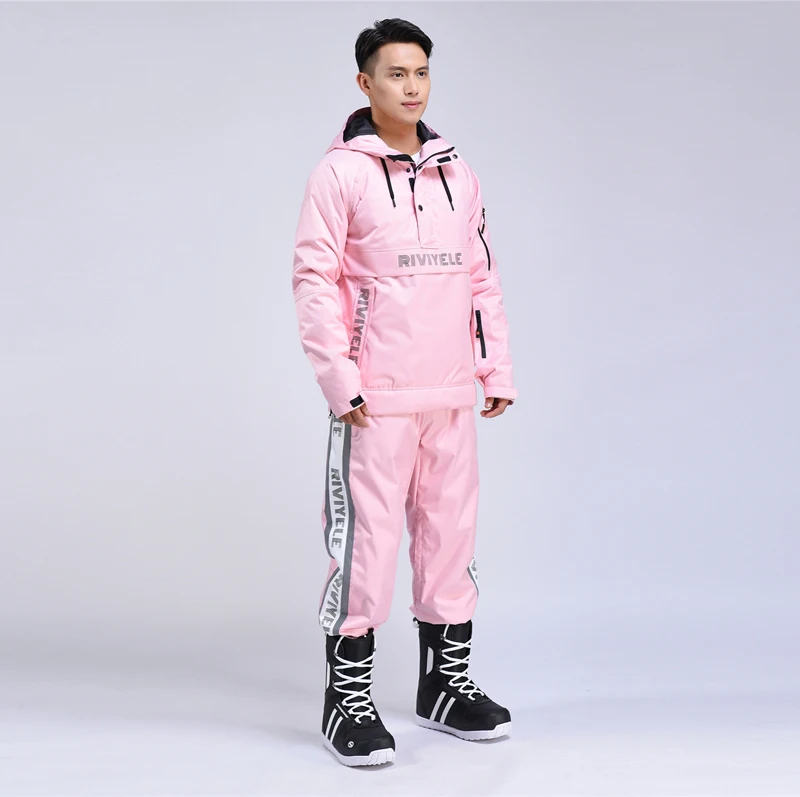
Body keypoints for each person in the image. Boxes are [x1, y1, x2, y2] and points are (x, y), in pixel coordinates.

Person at [291, 17, 518, 767]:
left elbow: (480, 277)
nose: (412, 86)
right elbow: (314, 280)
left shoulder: (458, 172)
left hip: (448, 394)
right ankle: (346, 698)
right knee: (367, 546)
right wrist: (340, 380)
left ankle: (444, 686)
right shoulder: (340, 175)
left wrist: (494, 367)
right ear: (365, 83)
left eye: (421, 72)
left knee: (451, 538)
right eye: (396, 73)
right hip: (375, 402)